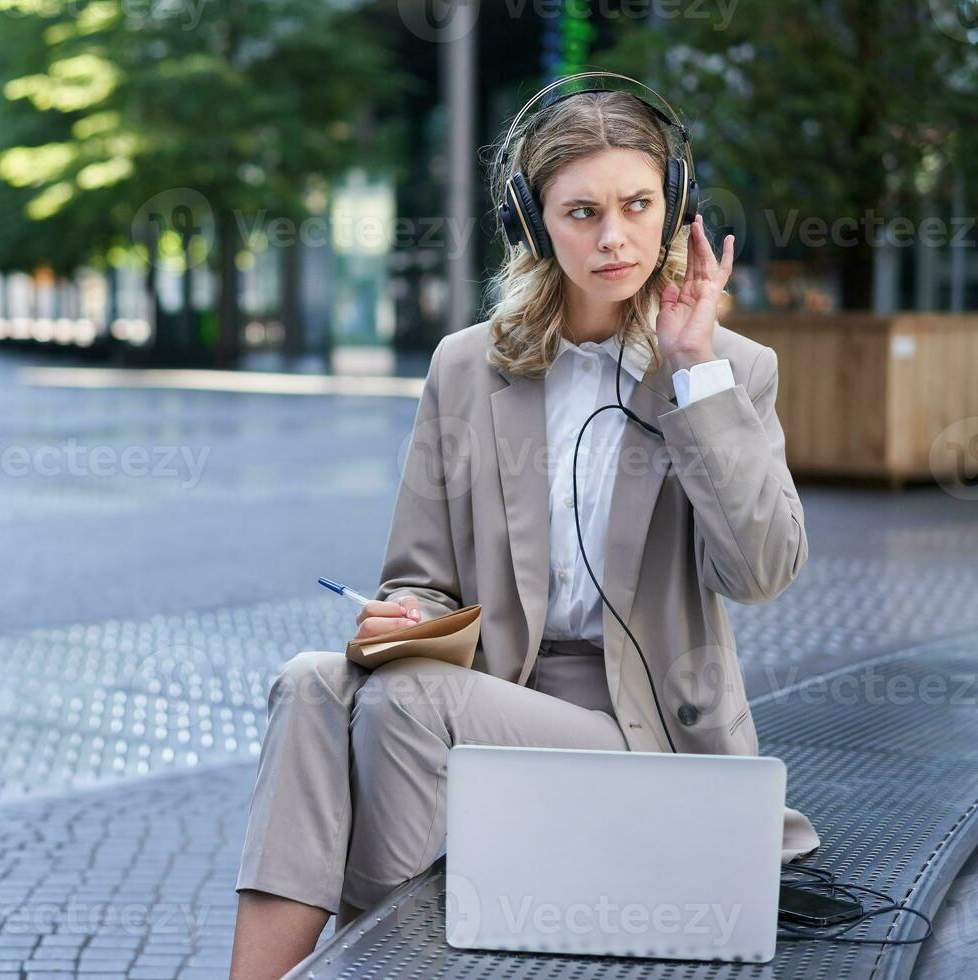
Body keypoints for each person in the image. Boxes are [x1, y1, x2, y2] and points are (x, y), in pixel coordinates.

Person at [227, 83, 821, 980]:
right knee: (311, 683)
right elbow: (418, 574)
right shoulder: (466, 367)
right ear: (534, 224)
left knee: (405, 702)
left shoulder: (728, 370)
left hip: (639, 728)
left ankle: (383, 964)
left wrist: (693, 374)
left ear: (674, 206)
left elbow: (762, 570)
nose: (613, 237)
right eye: (581, 212)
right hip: (484, 691)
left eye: (636, 206)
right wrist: (403, 617)